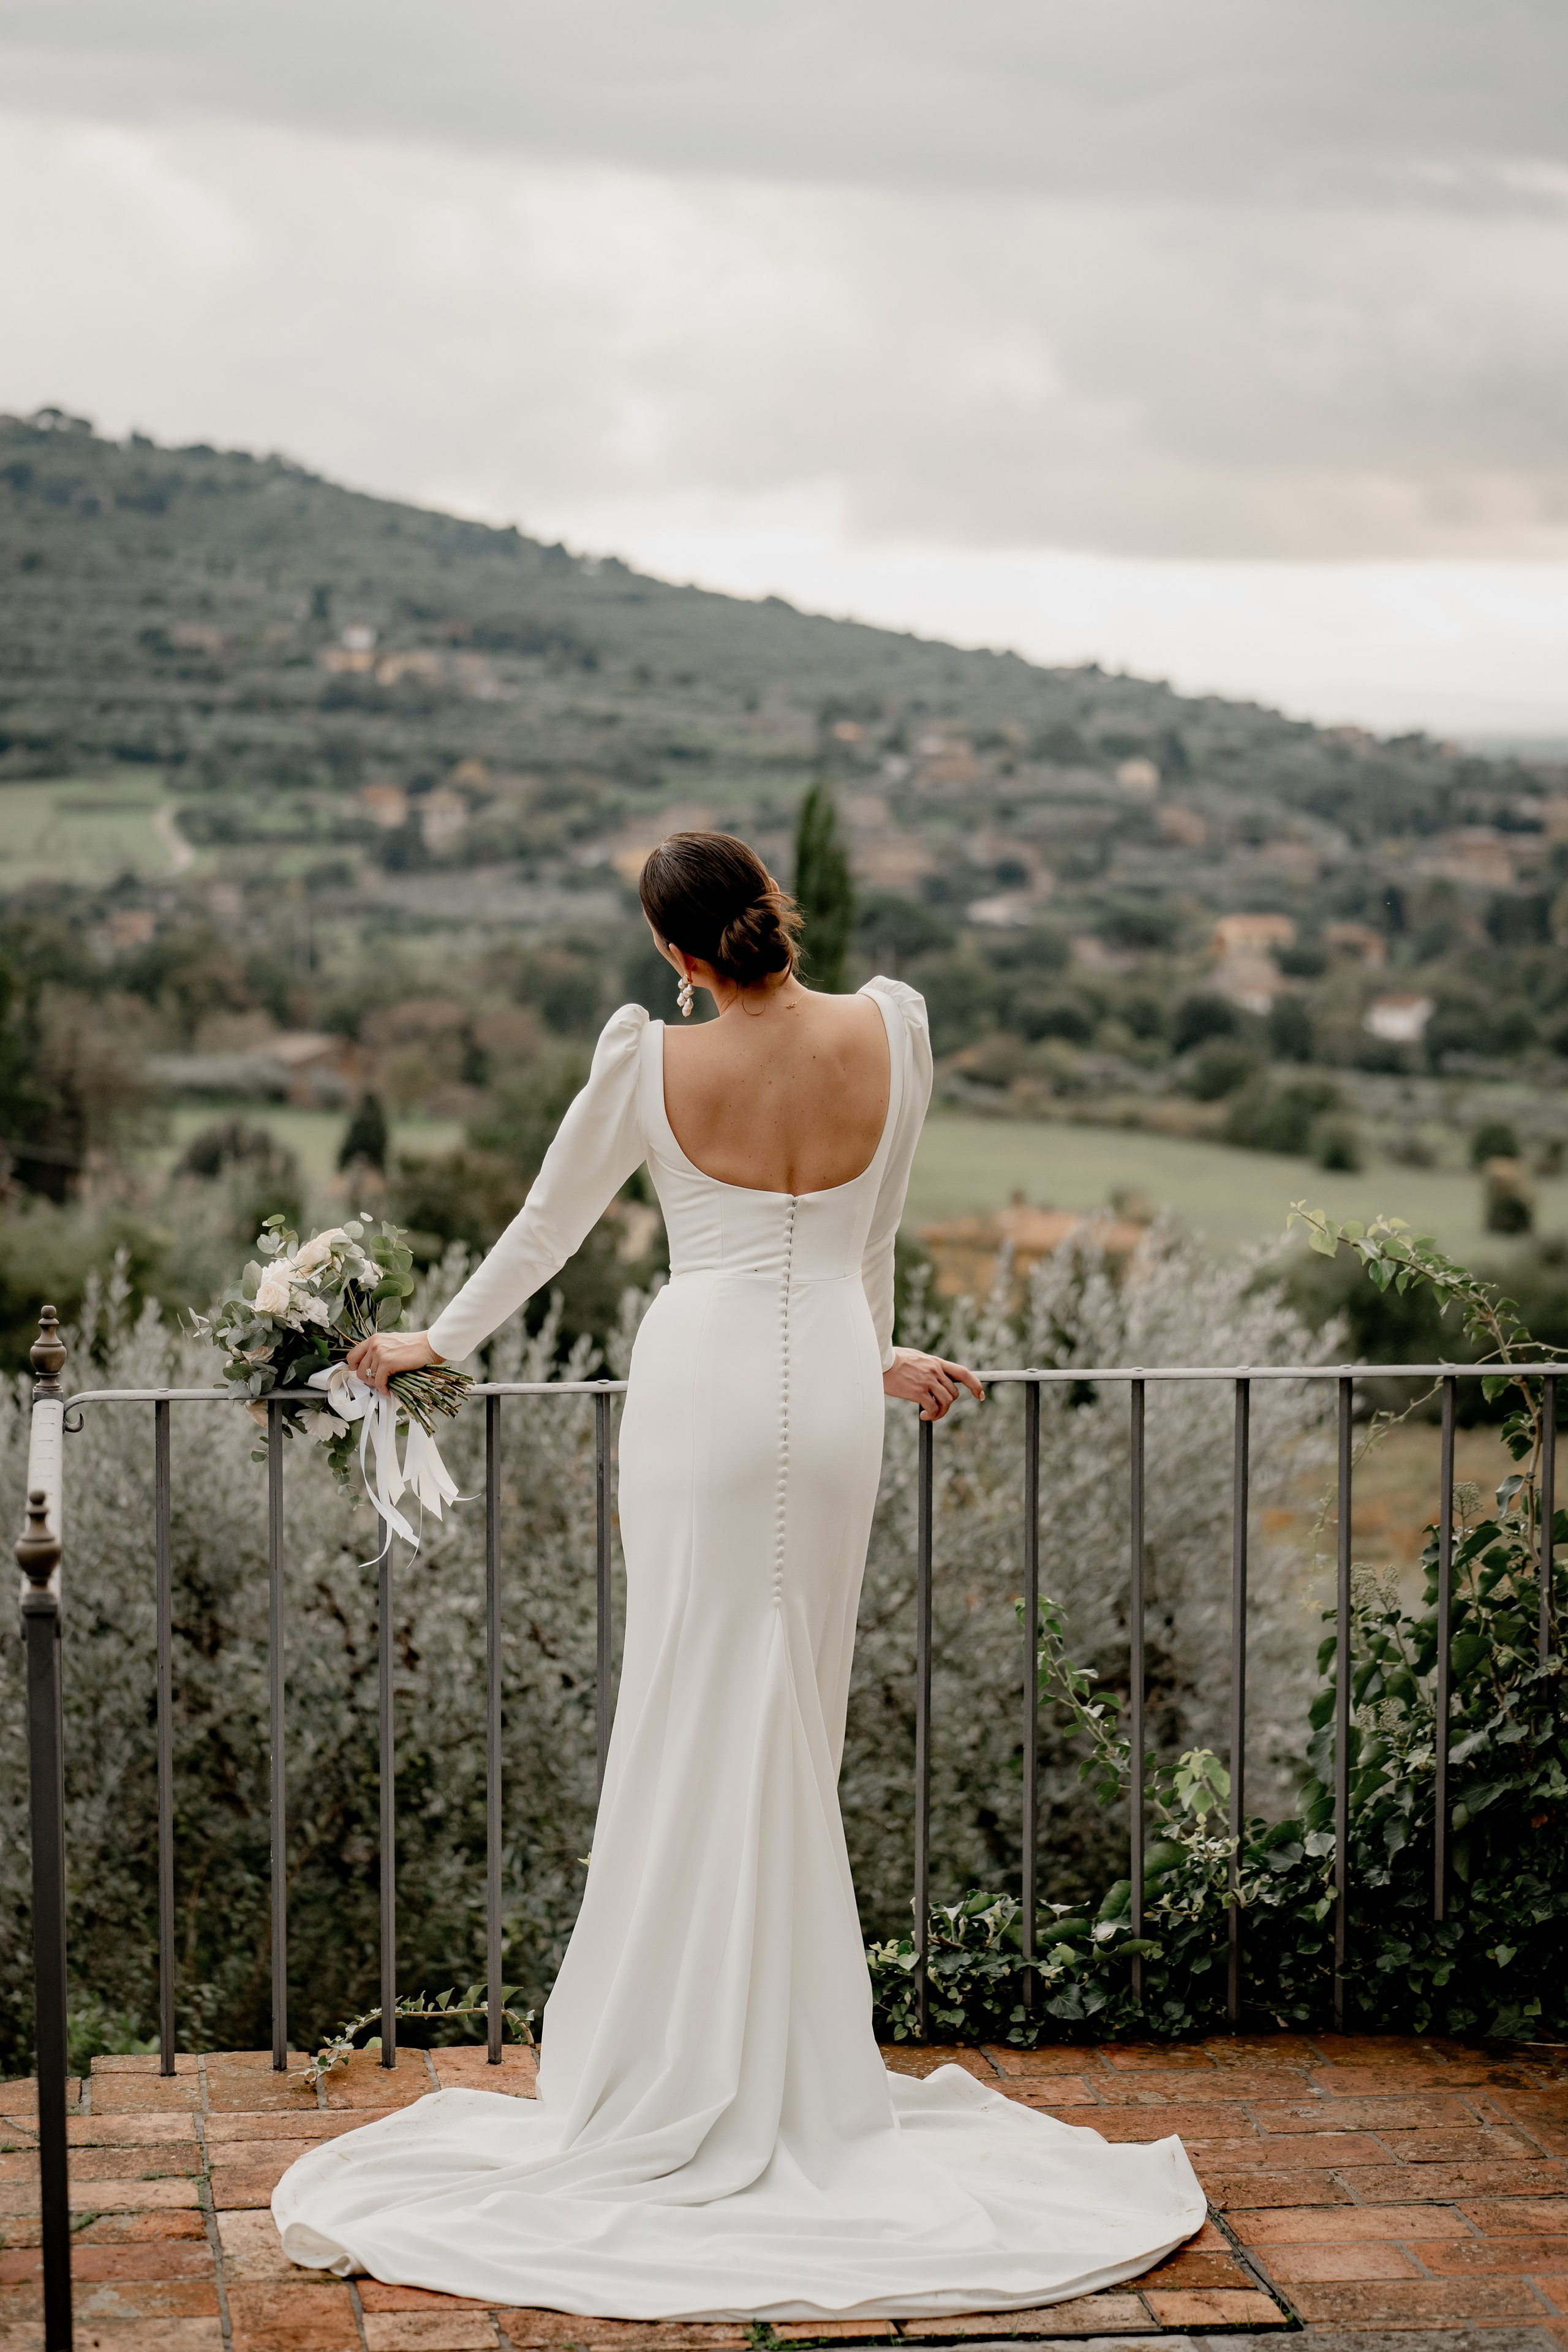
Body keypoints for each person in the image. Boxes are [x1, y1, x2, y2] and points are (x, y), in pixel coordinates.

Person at [273, 832, 1202, 2322]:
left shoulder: (647, 1061)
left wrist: (429, 1344)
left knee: (692, 1702)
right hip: (833, 1409)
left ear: (674, 954)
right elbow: (866, 1246)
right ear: (770, 909)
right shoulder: (890, 1028)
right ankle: (780, 2059)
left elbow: (544, 1230)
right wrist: (868, 1359)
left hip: (701, 1399)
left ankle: (682, 2060)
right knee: (789, 1716)